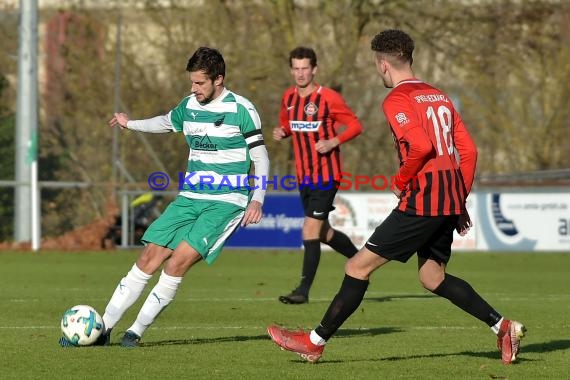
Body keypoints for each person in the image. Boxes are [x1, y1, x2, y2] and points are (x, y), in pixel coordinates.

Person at [267, 30, 525, 364]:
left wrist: (401, 180)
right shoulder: (439, 96)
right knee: (432, 277)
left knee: (357, 267)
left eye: (377, 65)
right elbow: (469, 152)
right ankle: (504, 327)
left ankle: (314, 342)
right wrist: (457, 200)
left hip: (424, 197)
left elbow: (421, 147)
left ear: (383, 64)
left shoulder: (396, 100)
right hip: (447, 195)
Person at [59, 47, 270, 347]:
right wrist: (129, 123)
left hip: (227, 201)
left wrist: (257, 198)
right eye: (192, 82)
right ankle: (102, 328)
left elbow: (260, 158)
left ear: (218, 79)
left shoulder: (241, 109)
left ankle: (135, 332)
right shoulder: (190, 105)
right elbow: (164, 122)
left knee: (177, 263)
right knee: (149, 256)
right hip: (189, 197)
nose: (193, 89)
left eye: (199, 83)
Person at [273, 46, 363, 305]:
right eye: (296, 69)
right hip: (303, 176)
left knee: (309, 227)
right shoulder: (289, 97)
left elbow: (356, 125)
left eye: (305, 68)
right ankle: (361, 262)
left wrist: (334, 141)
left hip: (327, 175)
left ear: (314, 70)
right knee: (323, 232)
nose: (301, 74)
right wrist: (282, 132)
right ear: (291, 70)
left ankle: (303, 290)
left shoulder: (329, 98)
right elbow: (287, 124)